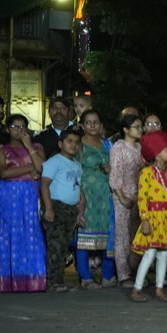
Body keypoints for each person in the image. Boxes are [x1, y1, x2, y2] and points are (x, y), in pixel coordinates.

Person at [0, 113, 47, 293]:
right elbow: (4, 173)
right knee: (7, 234)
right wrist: (30, 168)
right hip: (8, 196)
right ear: (8, 129)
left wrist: (29, 146)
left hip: (31, 194)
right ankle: (5, 278)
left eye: (23, 127)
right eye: (15, 127)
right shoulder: (1, 149)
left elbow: (44, 168)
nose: (19, 130)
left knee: (30, 233)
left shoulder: (37, 147)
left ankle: (30, 278)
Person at [129, 130, 167, 302]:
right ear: (156, 154)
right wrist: (144, 218)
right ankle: (137, 289)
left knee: (163, 255)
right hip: (153, 220)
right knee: (150, 253)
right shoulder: (147, 173)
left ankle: (159, 289)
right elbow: (142, 198)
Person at [74, 109, 117, 288]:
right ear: (82, 125)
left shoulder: (108, 145)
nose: (93, 125)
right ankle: (85, 276)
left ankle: (108, 275)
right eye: (89, 122)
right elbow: (72, 170)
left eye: (96, 122)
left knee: (109, 235)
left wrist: (111, 168)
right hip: (86, 195)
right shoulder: (78, 145)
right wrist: (78, 195)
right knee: (83, 236)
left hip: (106, 196)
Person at [39, 127, 85, 293]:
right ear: (60, 143)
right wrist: (49, 208)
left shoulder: (77, 165)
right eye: (69, 141)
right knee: (55, 246)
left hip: (70, 209)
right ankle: (53, 280)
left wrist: (81, 203)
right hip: (56, 206)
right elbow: (44, 184)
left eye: (76, 142)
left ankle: (59, 279)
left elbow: (75, 186)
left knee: (64, 246)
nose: (73, 145)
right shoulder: (55, 161)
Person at [110, 113, 146, 278]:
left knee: (135, 235)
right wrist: (122, 197)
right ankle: (123, 274)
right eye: (136, 127)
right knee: (123, 236)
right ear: (125, 129)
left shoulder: (139, 147)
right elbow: (115, 174)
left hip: (139, 197)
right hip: (123, 196)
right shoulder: (119, 147)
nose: (140, 130)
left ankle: (135, 271)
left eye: (140, 126)